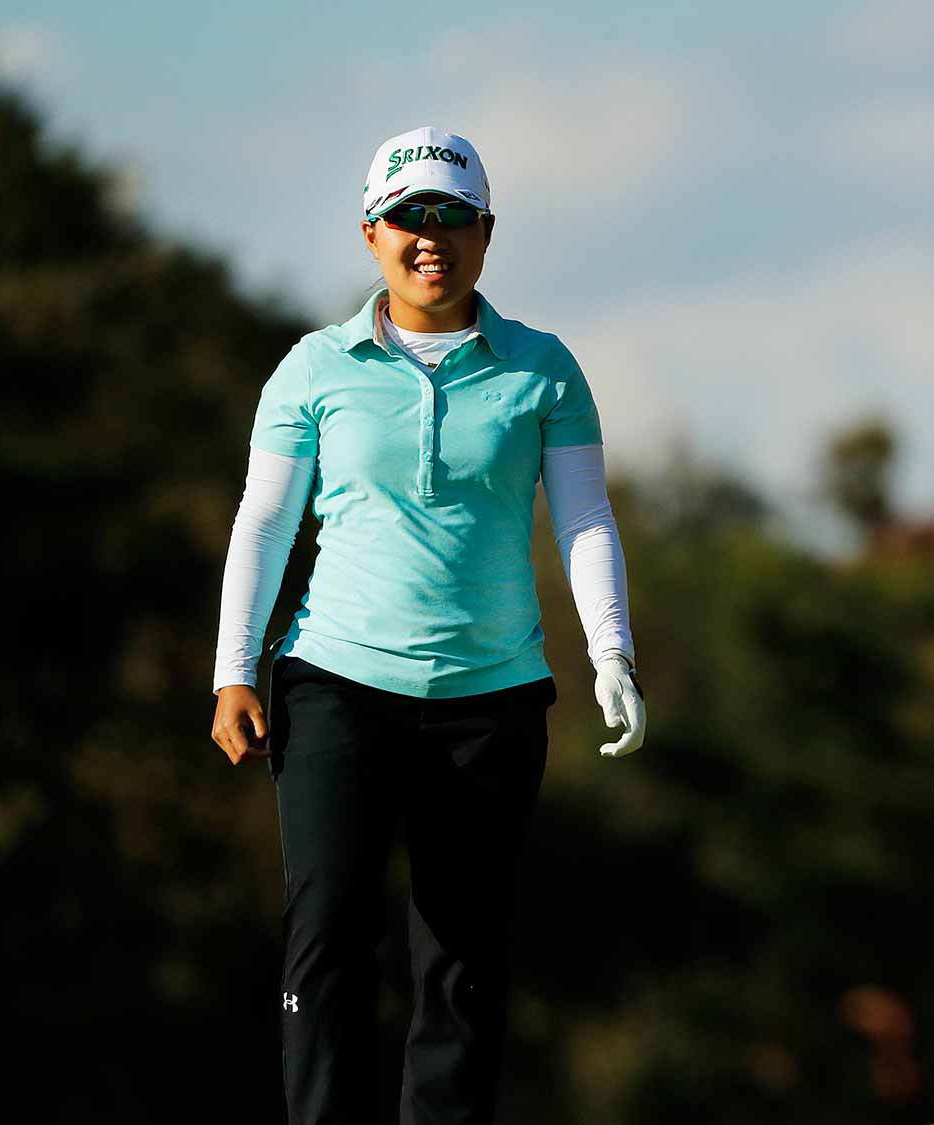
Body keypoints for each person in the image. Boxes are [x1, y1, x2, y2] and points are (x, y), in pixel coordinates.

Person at [207, 126, 647, 1123]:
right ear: (371, 233)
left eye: (453, 218)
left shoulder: (544, 368)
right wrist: (234, 670)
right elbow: (265, 520)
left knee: (462, 951)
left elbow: (583, 516)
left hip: (490, 698)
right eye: (410, 218)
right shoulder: (313, 370)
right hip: (335, 687)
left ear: (486, 234)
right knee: (327, 934)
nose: (430, 238)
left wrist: (610, 651)